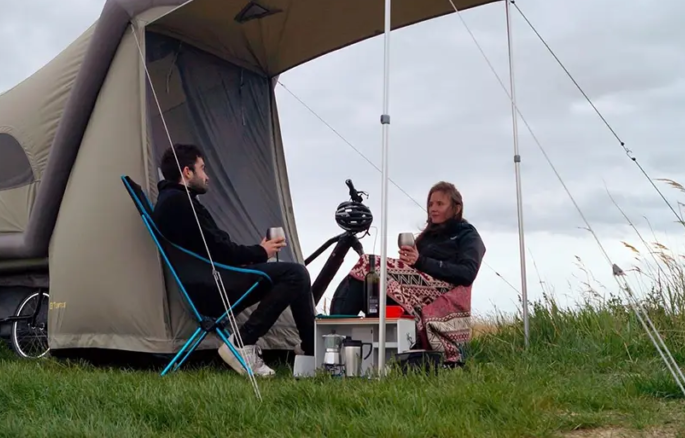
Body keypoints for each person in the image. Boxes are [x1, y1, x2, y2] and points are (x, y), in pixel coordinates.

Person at [150, 143, 315, 377]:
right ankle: (242, 341)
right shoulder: (179, 203)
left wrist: (256, 254)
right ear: (187, 172)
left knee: (293, 273)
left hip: (207, 279)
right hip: (212, 286)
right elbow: (220, 250)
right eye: (202, 169)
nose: (207, 177)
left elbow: (210, 248)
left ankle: (311, 349)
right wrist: (260, 252)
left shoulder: (175, 201)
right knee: (295, 274)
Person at [329, 181, 485, 363]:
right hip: (412, 293)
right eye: (430, 204)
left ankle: (335, 338)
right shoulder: (426, 237)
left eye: (440, 204)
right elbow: (415, 267)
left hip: (442, 295)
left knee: (369, 264)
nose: (433, 208)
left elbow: (468, 273)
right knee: (366, 277)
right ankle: (335, 335)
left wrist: (420, 261)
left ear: (456, 208)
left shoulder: (467, 235)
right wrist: (407, 265)